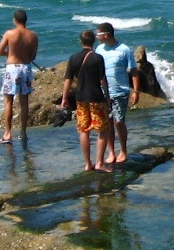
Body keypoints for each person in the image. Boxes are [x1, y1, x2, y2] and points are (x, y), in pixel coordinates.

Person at [60, 29, 111, 172]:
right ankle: (100, 163)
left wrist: (64, 98)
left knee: (84, 130)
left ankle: (88, 164)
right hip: (96, 98)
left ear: (81, 41)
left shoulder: (73, 58)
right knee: (103, 130)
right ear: (93, 42)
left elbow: (68, 80)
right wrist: (107, 97)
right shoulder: (98, 58)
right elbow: (102, 80)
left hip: (80, 99)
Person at [94, 21, 141, 165]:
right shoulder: (99, 49)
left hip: (120, 91)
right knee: (107, 123)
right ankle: (111, 152)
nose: (97, 36)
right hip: (104, 93)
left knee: (119, 122)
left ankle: (123, 150)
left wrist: (136, 91)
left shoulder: (124, 50)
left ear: (106, 35)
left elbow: (134, 71)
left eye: (99, 34)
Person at [0, 9, 39, 146]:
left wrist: (10, 54)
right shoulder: (33, 36)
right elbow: (32, 57)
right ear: (25, 20)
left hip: (12, 68)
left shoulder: (9, 33)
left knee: (8, 101)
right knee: (24, 102)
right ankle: (23, 133)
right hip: (25, 68)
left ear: (15, 20)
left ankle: (8, 133)